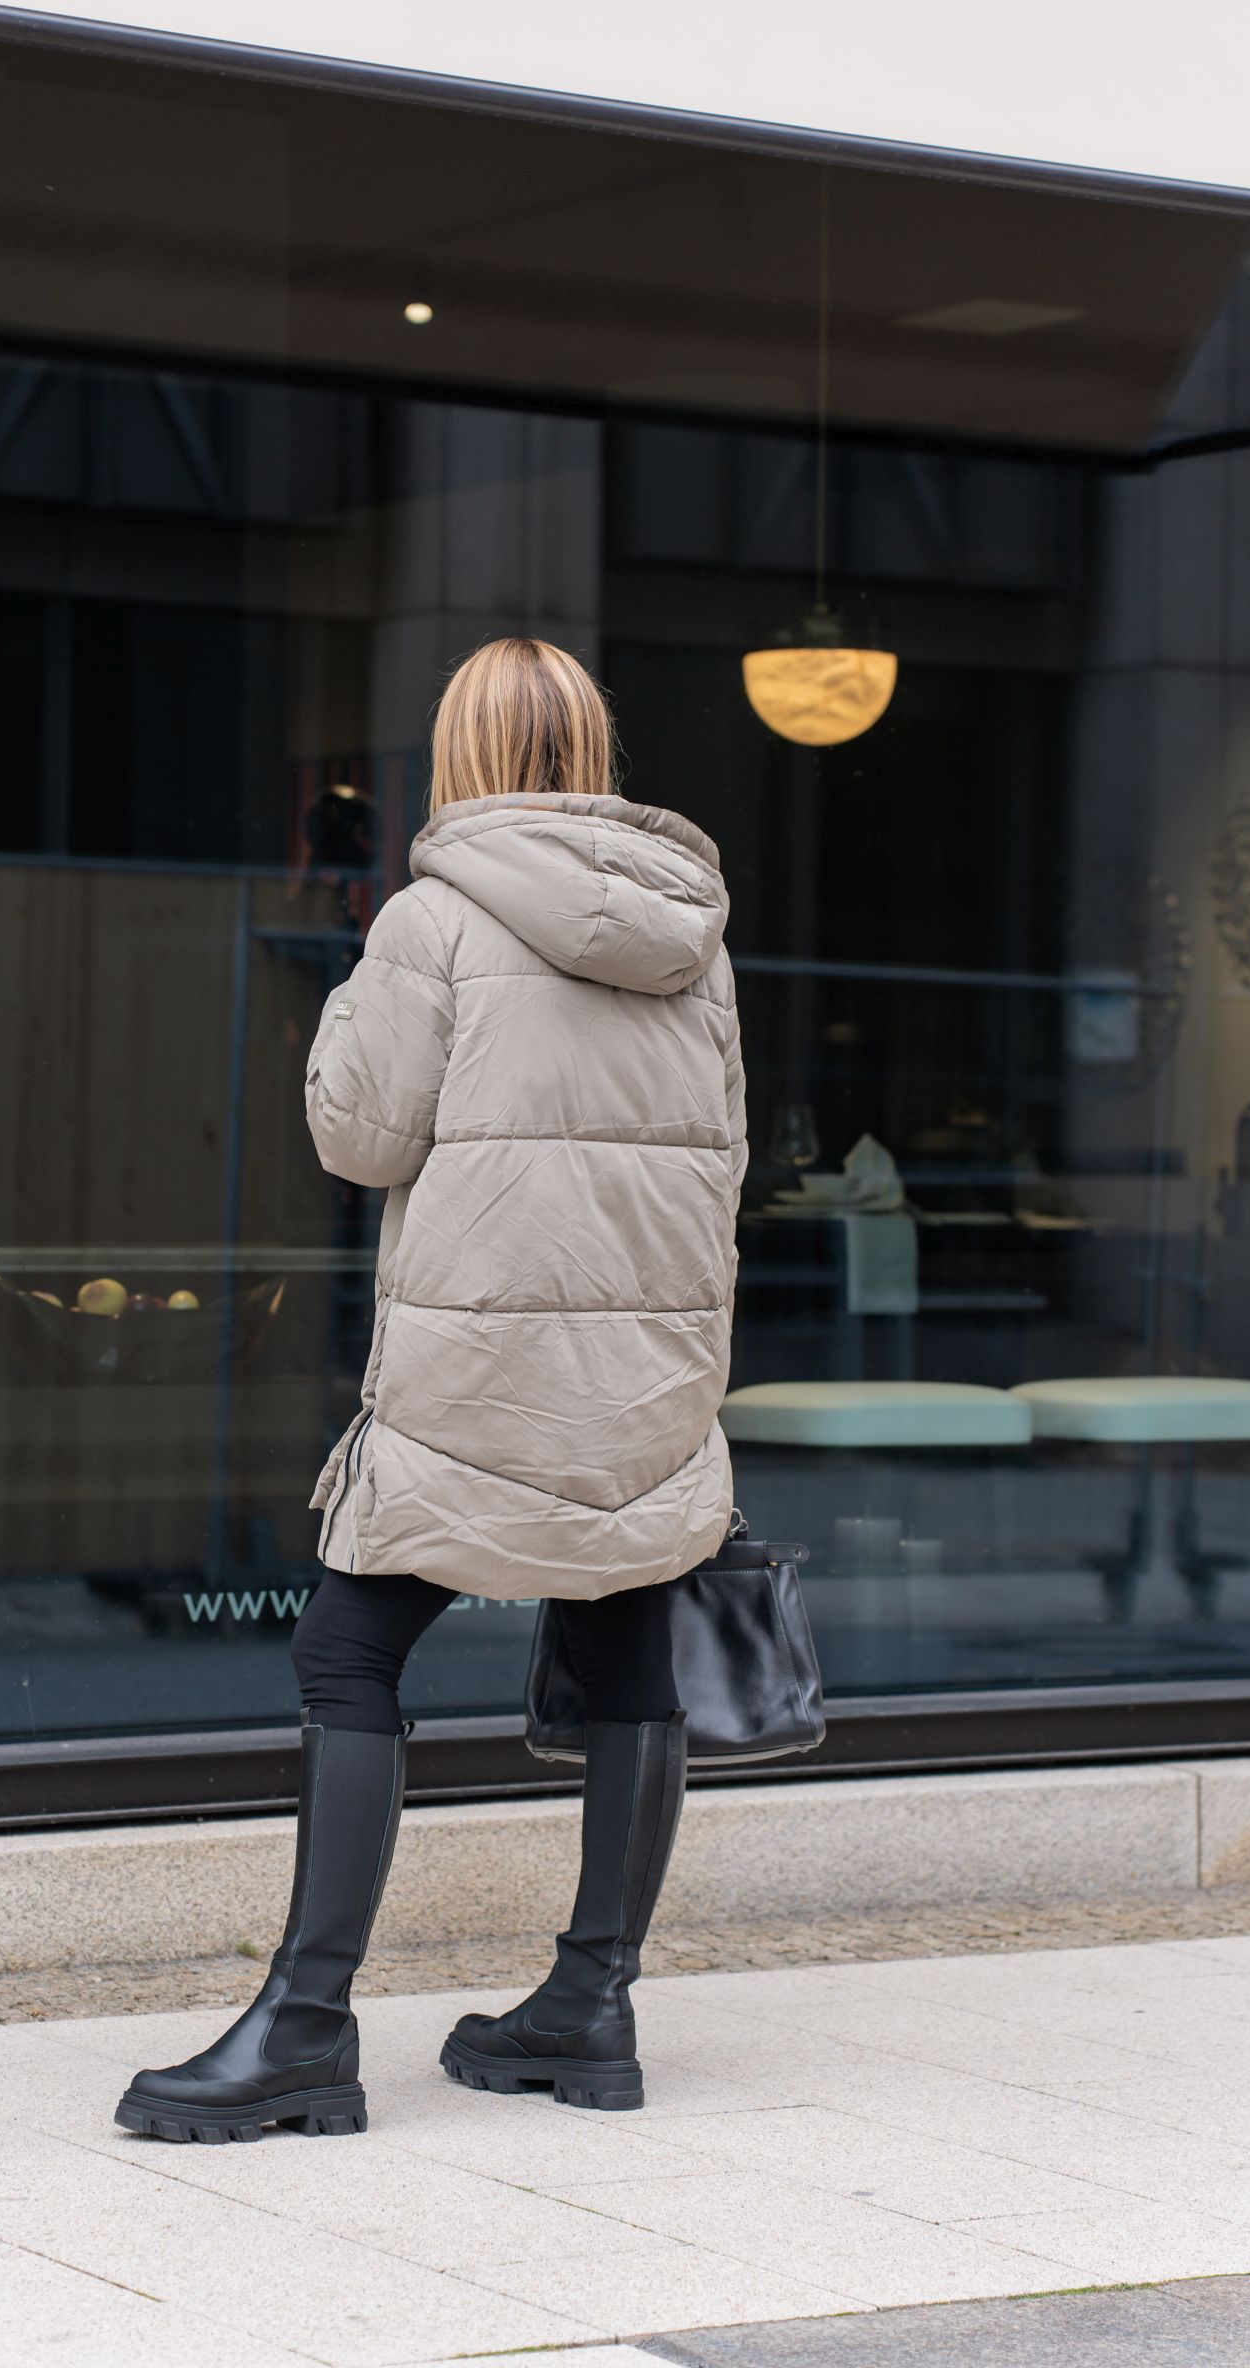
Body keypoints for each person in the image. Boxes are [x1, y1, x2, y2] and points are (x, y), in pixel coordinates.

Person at [116, 637, 745, 2144]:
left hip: (478, 1365)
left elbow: (361, 1138)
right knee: (628, 1642)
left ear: (455, 755)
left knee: (345, 1656)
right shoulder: (692, 928)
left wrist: (347, 993)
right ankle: (591, 2007)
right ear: (595, 745)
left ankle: (307, 2029)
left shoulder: (434, 916)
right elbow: (725, 1148)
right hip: (648, 1365)